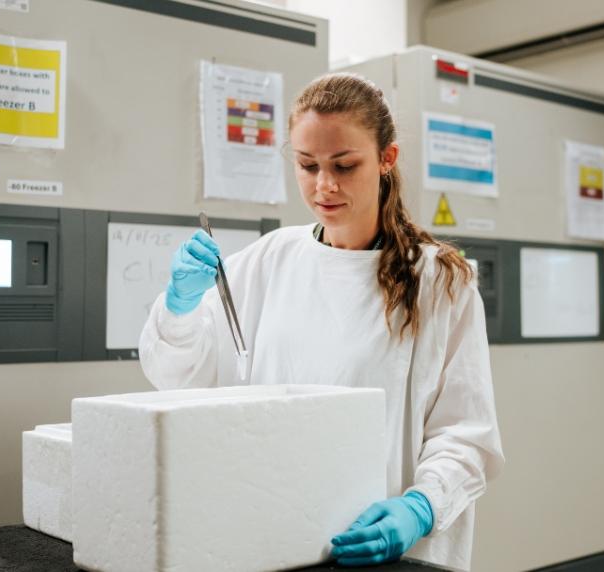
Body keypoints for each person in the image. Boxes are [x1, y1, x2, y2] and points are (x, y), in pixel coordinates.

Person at [139, 72, 503, 571]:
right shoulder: (270, 259)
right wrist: (179, 309)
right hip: (274, 537)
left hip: (392, 552)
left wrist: (421, 508)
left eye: (344, 165)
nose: (323, 185)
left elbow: (466, 434)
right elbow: (187, 383)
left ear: (386, 159)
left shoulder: (438, 280)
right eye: (307, 165)